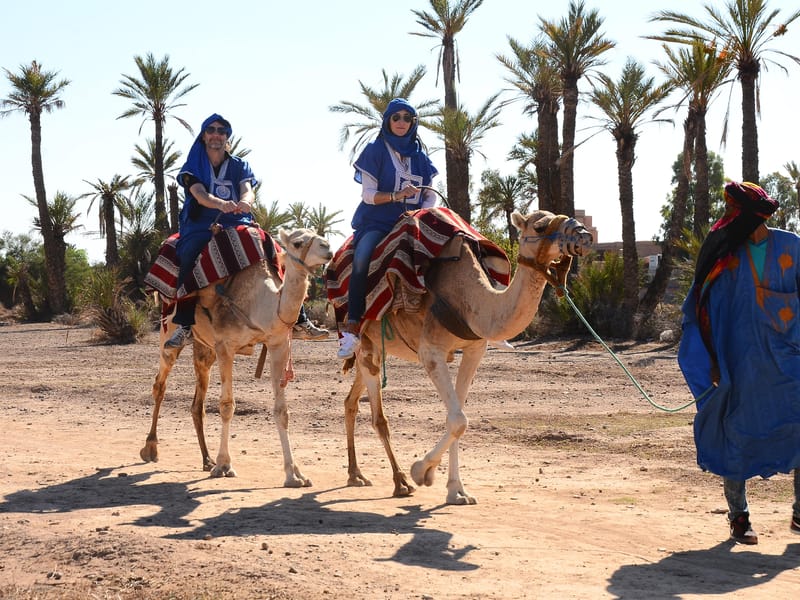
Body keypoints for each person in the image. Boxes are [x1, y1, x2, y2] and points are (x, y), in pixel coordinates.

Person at [678, 181, 800, 545]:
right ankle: (739, 517)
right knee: (736, 434)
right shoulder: (725, 257)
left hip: (789, 365)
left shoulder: (792, 248)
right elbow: (702, 309)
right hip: (739, 365)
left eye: (736, 214)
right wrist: (713, 361)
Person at [337, 98, 438, 359]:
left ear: (413, 123)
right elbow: (368, 195)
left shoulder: (421, 157)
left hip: (413, 222)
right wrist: (396, 196)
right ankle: (353, 326)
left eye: (407, 118)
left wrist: (422, 211)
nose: (402, 122)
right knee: (361, 258)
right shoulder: (375, 151)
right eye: (396, 117)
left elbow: (430, 195)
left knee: (452, 250)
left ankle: (471, 320)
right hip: (378, 222)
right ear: (387, 121)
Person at [164, 113, 258, 348]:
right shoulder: (192, 166)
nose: (216, 135)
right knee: (189, 254)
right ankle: (185, 324)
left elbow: (247, 189)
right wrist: (220, 204)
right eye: (211, 130)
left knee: (270, 248)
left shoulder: (239, 165)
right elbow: (199, 194)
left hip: (236, 220)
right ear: (204, 136)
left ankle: (297, 318)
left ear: (227, 137)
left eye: (222, 131)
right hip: (201, 223)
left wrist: (246, 201)